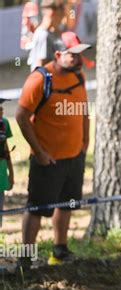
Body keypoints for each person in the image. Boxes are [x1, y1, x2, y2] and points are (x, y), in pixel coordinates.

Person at [16, 32, 91, 267]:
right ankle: (26, 258)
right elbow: (21, 116)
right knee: (37, 207)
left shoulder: (79, 76)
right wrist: (39, 152)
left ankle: (60, 249)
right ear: (58, 54)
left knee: (66, 204)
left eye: (81, 54)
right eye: (73, 55)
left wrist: (85, 142)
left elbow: (84, 110)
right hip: (47, 159)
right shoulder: (40, 79)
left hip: (74, 156)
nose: (79, 59)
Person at [27, 0, 66, 72]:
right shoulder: (44, 35)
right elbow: (41, 67)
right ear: (52, 14)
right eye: (61, 16)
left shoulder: (50, 32)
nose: (61, 20)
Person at [0, 99, 15, 228]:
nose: (2, 111)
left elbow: (6, 149)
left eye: (2, 109)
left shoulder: (4, 123)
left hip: (1, 174)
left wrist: (11, 174)